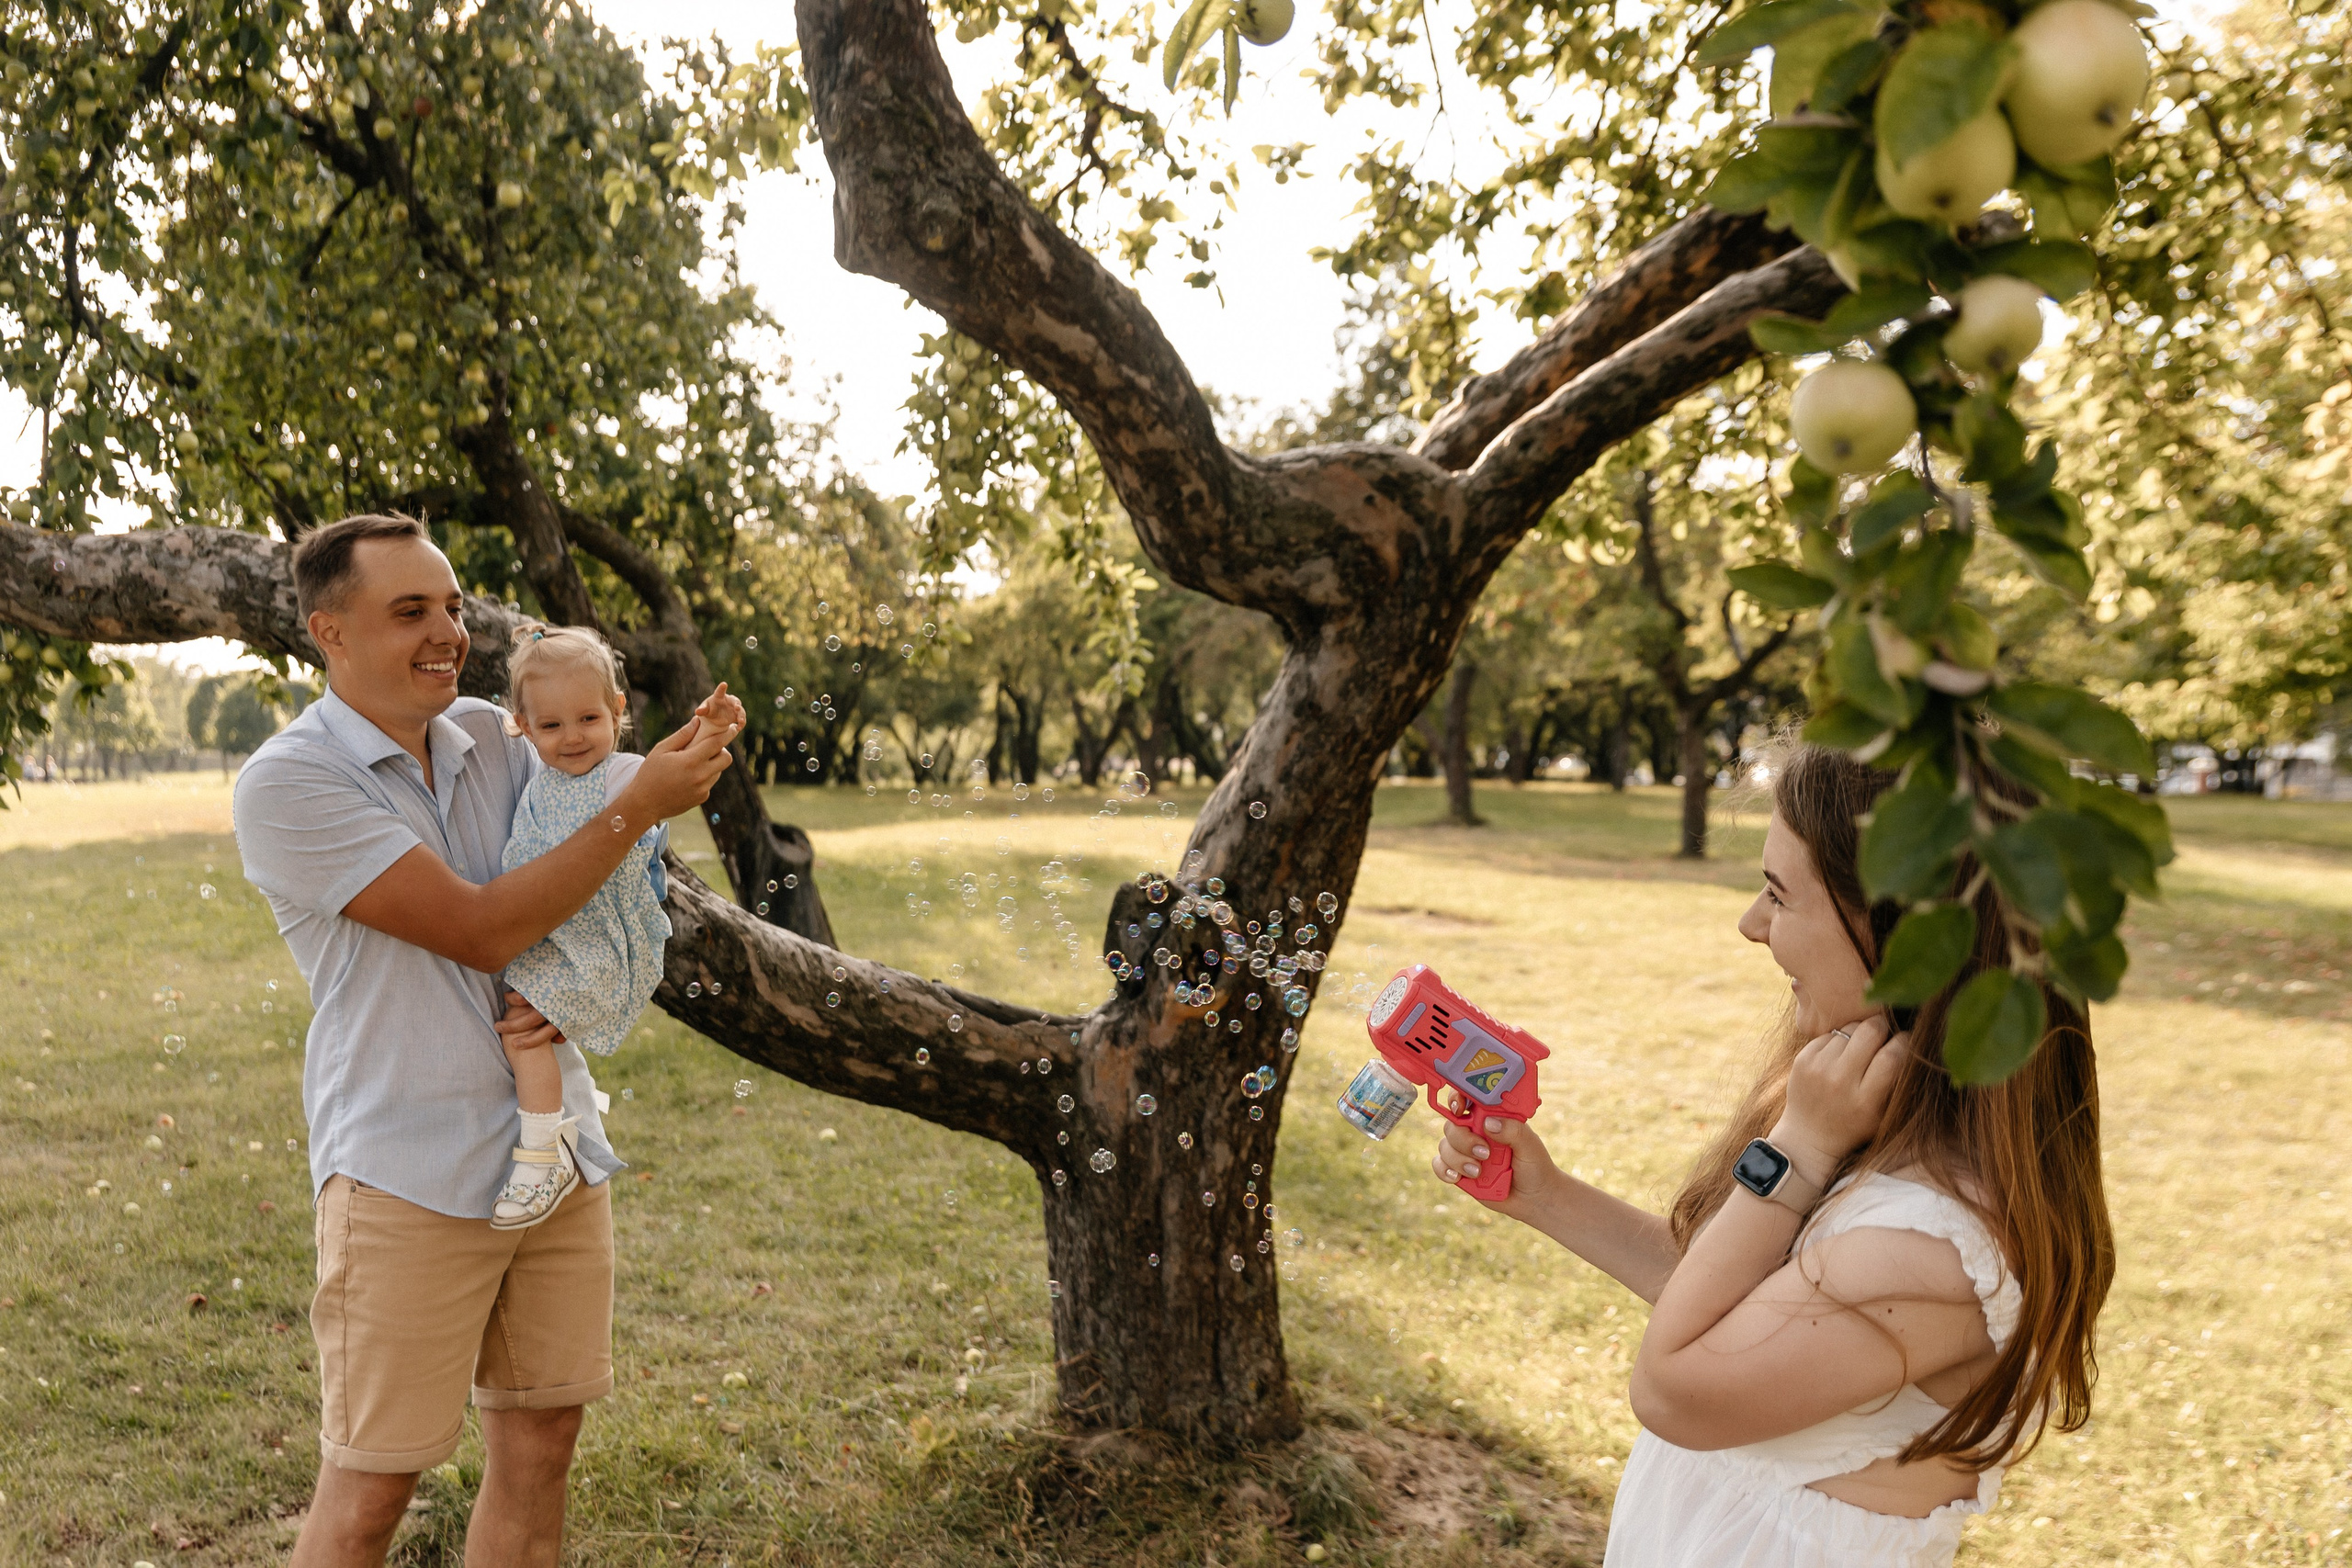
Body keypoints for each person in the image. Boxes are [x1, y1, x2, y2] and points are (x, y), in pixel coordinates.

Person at [1432, 744, 2114, 1567]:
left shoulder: (1929, 1246)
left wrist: (1798, 1144)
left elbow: (1673, 1386)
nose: (1752, 924)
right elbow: (1733, 1301)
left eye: (1780, 894)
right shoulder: (1894, 1142)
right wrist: (1547, 1196)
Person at [233, 513, 742, 1568]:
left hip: (553, 1155)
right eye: (410, 610)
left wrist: (682, 753)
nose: (447, 632)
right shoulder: (289, 783)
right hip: (406, 1170)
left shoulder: (497, 736)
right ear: (328, 631)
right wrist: (637, 801)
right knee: (373, 1490)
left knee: (541, 1448)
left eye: (453, 607)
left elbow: (599, 846)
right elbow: (483, 926)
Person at [491, 622, 684, 1229]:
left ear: (617, 711)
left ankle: (542, 1155)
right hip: (558, 935)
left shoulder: (621, 776)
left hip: (599, 943)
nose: (573, 738)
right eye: (551, 725)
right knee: (532, 1031)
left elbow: (669, 769)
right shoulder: (539, 780)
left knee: (524, 1034)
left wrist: (709, 725)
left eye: (588, 719)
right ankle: (570, 1129)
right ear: (521, 722)